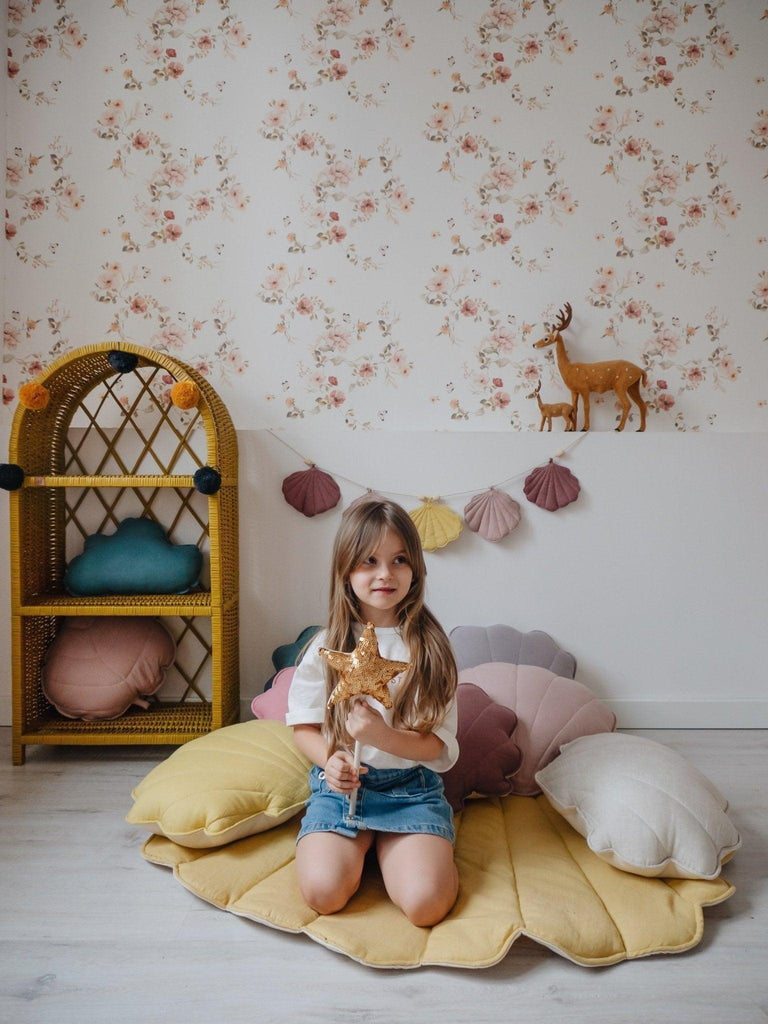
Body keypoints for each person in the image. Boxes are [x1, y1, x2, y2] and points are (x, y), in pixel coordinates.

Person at [286, 498, 459, 928]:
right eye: (369, 561)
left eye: (400, 559)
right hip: (341, 791)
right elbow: (303, 726)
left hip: (410, 790)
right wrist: (332, 761)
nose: (385, 573)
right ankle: (359, 846)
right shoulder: (327, 645)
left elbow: (441, 750)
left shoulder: (432, 651)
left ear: (416, 569)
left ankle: (396, 851)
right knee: (323, 894)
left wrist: (383, 736)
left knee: (427, 905)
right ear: (346, 571)